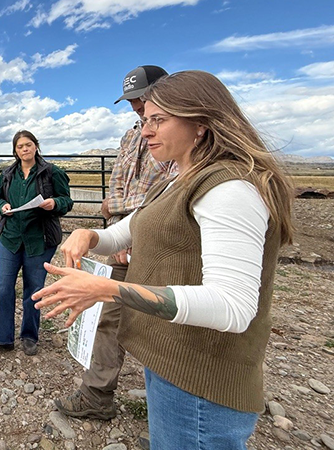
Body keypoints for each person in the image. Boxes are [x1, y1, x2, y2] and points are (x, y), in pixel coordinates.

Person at [32, 71, 294, 449]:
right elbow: (127, 231)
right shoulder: (182, 179)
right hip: (174, 363)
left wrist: (109, 288)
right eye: (144, 121)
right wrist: (90, 236)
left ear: (200, 123)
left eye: (158, 120)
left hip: (202, 383)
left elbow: (234, 307)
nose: (145, 131)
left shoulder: (229, 189)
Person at [56, 65, 176, 420]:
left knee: (168, 326)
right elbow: (117, 187)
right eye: (133, 101)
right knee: (107, 318)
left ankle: (171, 418)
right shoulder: (130, 138)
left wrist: (117, 211)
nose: (137, 106)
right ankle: (97, 394)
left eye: (142, 98)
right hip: (120, 242)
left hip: (157, 244)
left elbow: (166, 195)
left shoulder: (178, 135)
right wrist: (113, 223)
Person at [0, 130, 73, 356]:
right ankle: (2, 339)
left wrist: (54, 203)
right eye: (20, 146)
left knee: (34, 289)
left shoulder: (52, 172)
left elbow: (67, 200)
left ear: (36, 146)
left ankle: (30, 336)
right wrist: (1, 206)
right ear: (15, 150)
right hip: (9, 238)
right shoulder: (7, 173)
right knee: (2, 288)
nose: (24, 149)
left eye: (28, 145)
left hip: (38, 241)